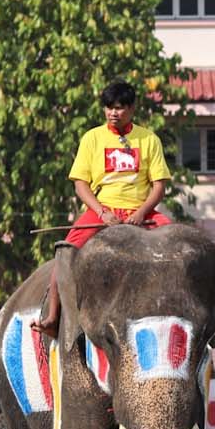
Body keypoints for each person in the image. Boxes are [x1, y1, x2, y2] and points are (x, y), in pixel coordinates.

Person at [36, 80, 172, 334]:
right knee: (65, 253)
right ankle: (53, 317)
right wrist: (102, 212)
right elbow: (80, 185)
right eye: (108, 108)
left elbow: (158, 187)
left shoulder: (149, 139)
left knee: (176, 243)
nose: (113, 113)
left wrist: (141, 213)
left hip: (142, 212)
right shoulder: (92, 138)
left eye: (119, 108)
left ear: (132, 109)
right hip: (102, 210)